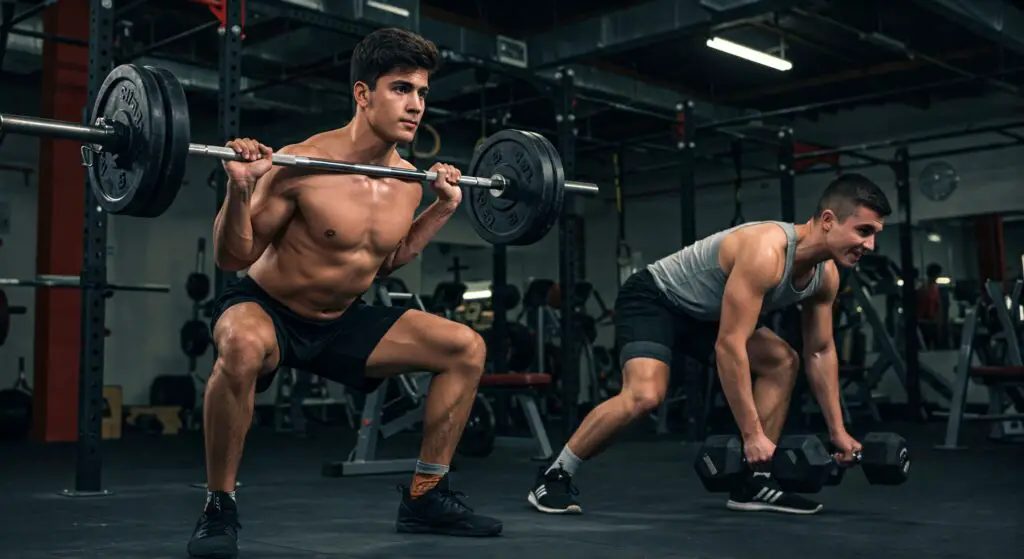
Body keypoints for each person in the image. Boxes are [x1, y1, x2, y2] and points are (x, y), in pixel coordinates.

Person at [187, 28, 502, 559]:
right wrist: (239, 189)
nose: (416, 105)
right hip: (268, 310)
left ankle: (426, 497)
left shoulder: (407, 179)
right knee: (240, 347)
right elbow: (232, 258)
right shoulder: (301, 164)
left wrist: (442, 209)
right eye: (401, 89)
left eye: (422, 93)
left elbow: (385, 262)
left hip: (341, 320)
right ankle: (219, 504)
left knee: (465, 348)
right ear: (363, 94)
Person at [527, 173, 891, 516]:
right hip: (657, 298)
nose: (870, 245)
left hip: (706, 315)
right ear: (828, 219)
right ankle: (554, 475)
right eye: (863, 231)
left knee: (783, 360)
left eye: (875, 234)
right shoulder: (767, 252)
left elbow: (820, 351)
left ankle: (753, 483)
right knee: (645, 394)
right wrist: (751, 435)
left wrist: (838, 432)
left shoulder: (825, 276)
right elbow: (729, 347)